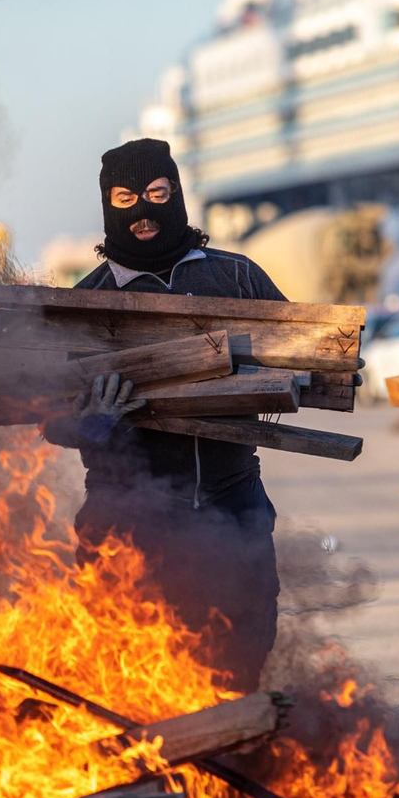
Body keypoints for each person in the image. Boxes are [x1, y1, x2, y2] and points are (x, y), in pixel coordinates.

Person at [42, 138, 285, 690]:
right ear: (108, 206)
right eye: (127, 199)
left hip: (232, 503)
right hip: (130, 518)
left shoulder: (236, 278)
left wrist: (297, 379)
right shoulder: (88, 301)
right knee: (132, 675)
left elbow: (307, 353)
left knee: (242, 657)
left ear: (176, 194)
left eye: (157, 194)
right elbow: (46, 414)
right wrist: (93, 422)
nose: (145, 212)